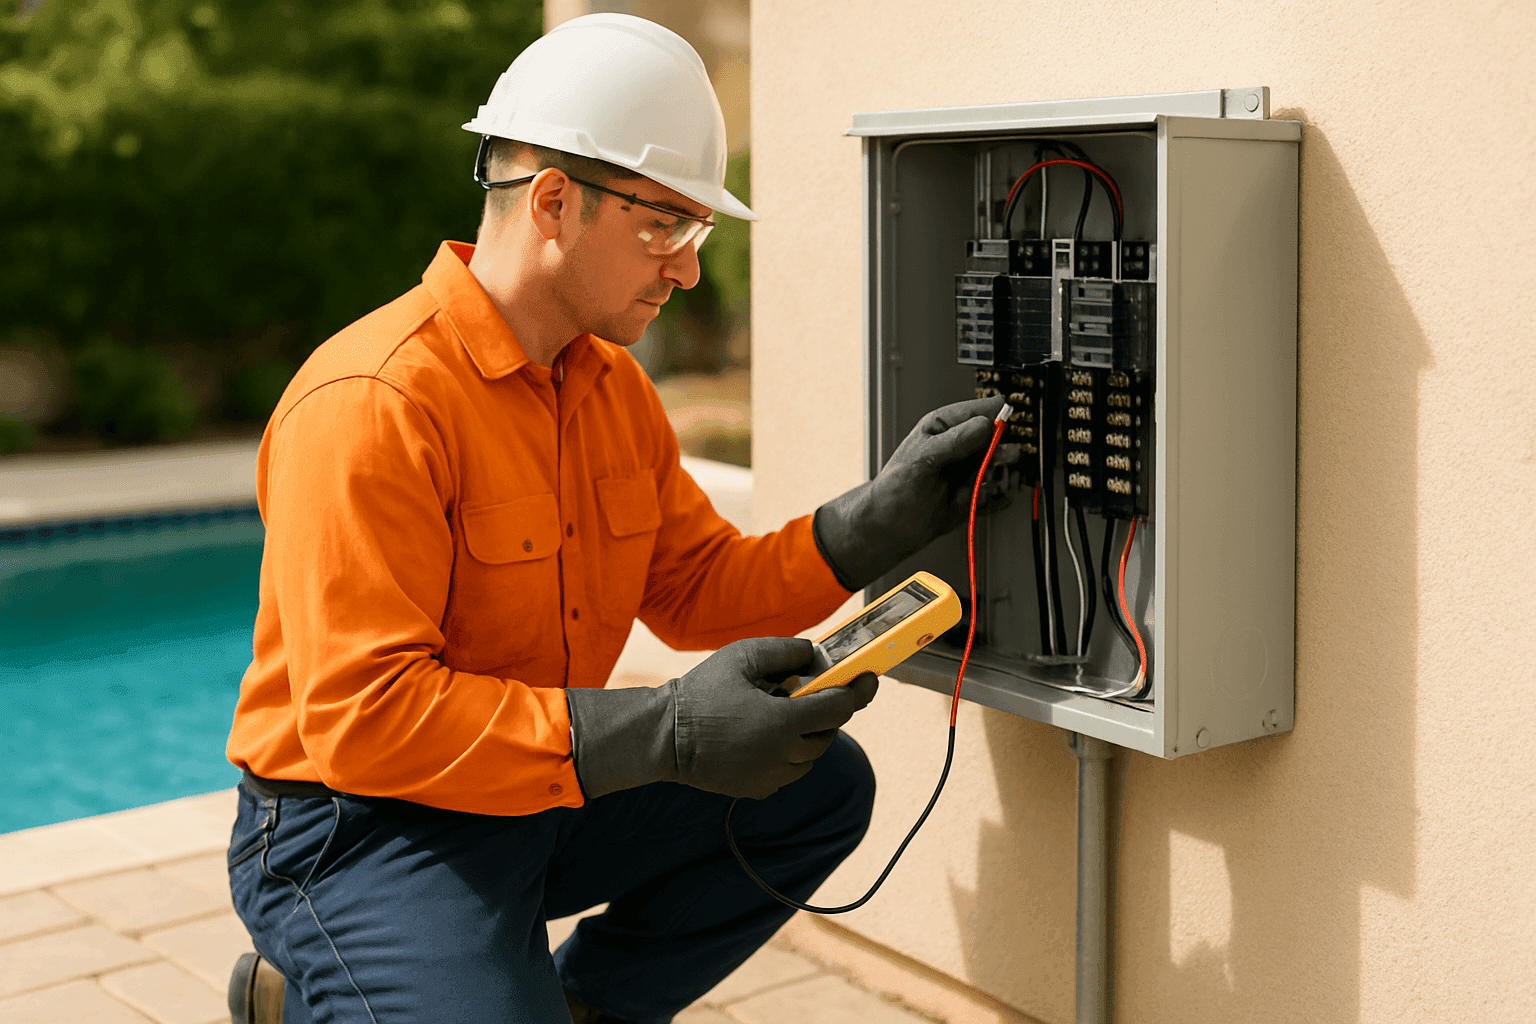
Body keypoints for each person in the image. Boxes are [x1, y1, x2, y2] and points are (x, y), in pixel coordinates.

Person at [224, 14, 1013, 1024]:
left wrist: (865, 525)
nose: (686, 267)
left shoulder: (610, 391)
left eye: (698, 233)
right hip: (356, 828)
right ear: (553, 201)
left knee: (816, 789)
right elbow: (366, 720)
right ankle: (323, 977)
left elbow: (690, 591)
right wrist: (668, 728)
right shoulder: (375, 402)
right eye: (664, 228)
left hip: (530, 794)